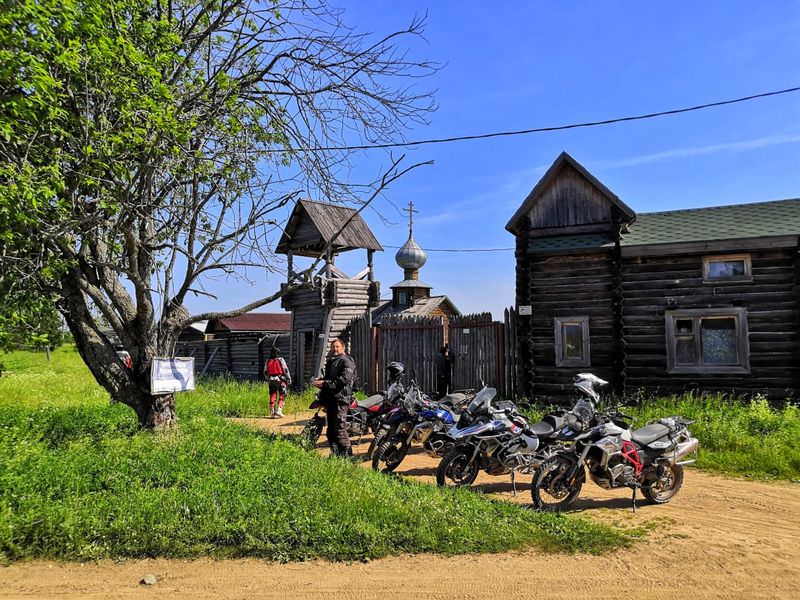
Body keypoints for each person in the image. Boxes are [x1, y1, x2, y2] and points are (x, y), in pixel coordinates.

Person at [312, 338, 356, 457]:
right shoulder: (332, 361)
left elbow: (343, 380)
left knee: (339, 430)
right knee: (330, 432)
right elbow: (328, 379)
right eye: (333, 347)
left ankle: (348, 457)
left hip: (341, 400)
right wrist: (320, 382)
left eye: (337, 347)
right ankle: (336, 455)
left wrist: (324, 383)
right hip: (331, 400)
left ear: (343, 347)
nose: (335, 349)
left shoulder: (346, 361)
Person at [265, 347, 291, 418]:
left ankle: (272, 413)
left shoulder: (268, 361)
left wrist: (268, 379)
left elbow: (265, 371)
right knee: (282, 394)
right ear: (277, 353)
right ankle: (279, 410)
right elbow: (285, 370)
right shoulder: (280, 360)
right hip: (280, 379)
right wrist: (288, 378)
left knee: (272, 394)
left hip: (271, 380)